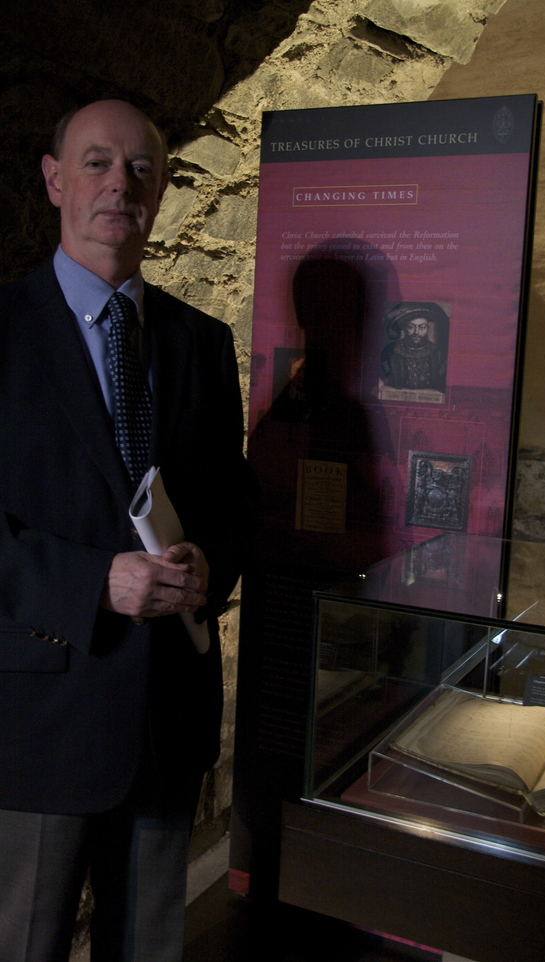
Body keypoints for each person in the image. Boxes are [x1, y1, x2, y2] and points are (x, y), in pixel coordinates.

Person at [0, 100, 255, 961]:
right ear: (54, 178)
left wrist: (207, 561)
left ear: (164, 188)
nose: (120, 184)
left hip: (168, 716)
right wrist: (92, 582)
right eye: (98, 162)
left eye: (141, 167)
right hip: (41, 719)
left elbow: (230, 502)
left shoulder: (202, 342)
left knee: (148, 946)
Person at [380, 303, 448, 392]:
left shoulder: (437, 352)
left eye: (422, 327)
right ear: (404, 328)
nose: (416, 332)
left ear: (427, 329)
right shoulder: (389, 351)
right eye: (411, 327)